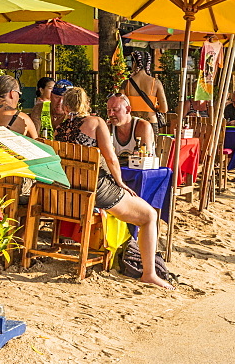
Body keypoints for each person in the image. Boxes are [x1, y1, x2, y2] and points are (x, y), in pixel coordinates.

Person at [56, 87, 172, 289]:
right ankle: (149, 273)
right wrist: (120, 182)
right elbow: (111, 158)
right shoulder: (96, 122)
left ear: (65, 106)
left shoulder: (59, 128)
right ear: (86, 104)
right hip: (96, 188)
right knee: (149, 216)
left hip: (70, 190)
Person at [123, 51, 168, 128]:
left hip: (132, 123)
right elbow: (164, 109)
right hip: (151, 122)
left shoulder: (126, 83)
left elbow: (121, 106)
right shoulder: (156, 83)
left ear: (134, 64)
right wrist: (154, 106)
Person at [107, 94, 155, 165]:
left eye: (115, 110)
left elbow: (144, 159)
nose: (111, 114)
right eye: (108, 110)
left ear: (128, 110)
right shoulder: (108, 127)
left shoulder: (142, 126)